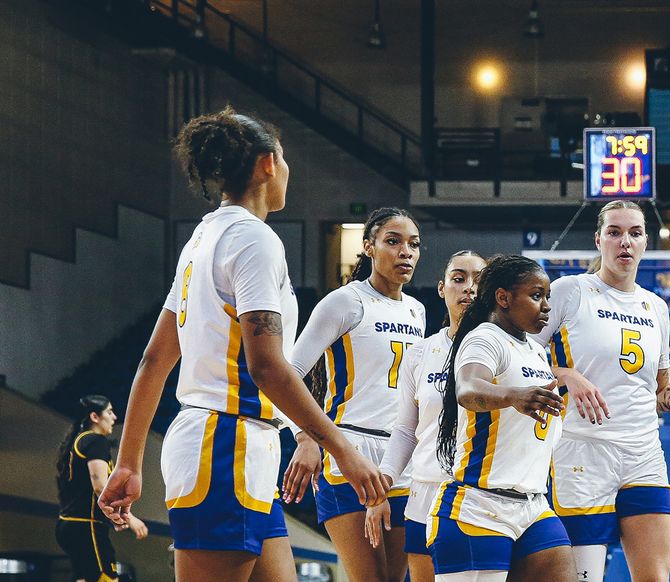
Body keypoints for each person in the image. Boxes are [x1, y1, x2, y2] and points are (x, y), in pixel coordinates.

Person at [97, 107, 386, 582]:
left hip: (237, 447)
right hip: (225, 445)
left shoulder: (202, 237)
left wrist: (129, 461)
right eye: (285, 159)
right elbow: (266, 367)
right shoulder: (254, 239)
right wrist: (341, 448)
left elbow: (154, 359)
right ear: (268, 163)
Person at [534, 200, 670, 582]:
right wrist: (565, 374)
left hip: (643, 453)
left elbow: (662, 394)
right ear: (598, 240)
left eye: (635, 233)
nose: (624, 241)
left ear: (645, 242)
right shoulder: (569, 291)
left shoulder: (656, 307)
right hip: (583, 449)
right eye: (614, 232)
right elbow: (519, 359)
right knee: (585, 577)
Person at [280, 207, 426, 582]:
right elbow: (288, 374)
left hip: (401, 457)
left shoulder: (417, 310)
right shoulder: (345, 301)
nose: (405, 252)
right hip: (349, 449)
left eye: (413, 244)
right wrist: (305, 437)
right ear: (368, 247)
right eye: (393, 241)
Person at [428, 255, 575, 581]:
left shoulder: (535, 351)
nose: (547, 306)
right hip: (480, 506)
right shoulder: (485, 338)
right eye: (536, 295)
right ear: (503, 298)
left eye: (547, 296)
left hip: (533, 506)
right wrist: (513, 396)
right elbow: (467, 389)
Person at [364, 250, 487, 582]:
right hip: (425, 495)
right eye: (458, 279)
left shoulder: (506, 349)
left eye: (478, 280)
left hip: (480, 497)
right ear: (441, 289)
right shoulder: (420, 353)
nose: (468, 288)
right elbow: (405, 431)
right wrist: (381, 488)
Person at [56, 395, 148, 582]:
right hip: (86, 526)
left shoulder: (78, 441)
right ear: (94, 417)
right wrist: (128, 517)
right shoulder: (95, 441)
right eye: (109, 412)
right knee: (106, 578)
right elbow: (100, 487)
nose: (114, 417)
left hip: (70, 525)